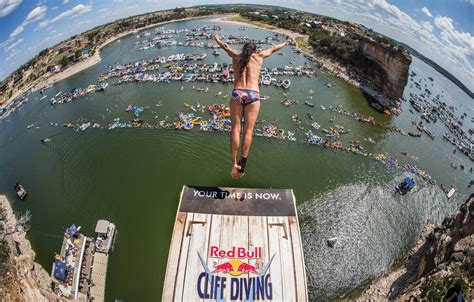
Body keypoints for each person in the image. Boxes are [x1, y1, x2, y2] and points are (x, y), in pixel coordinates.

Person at [212, 32, 289, 178]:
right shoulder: (259, 56)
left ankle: (234, 162)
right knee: (248, 131)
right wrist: (284, 43)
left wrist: (217, 39)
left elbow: (225, 46)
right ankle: (243, 165)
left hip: (238, 93)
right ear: (254, 50)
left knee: (235, 129)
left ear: (243, 49)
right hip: (253, 94)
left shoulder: (236, 55)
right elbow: (273, 49)